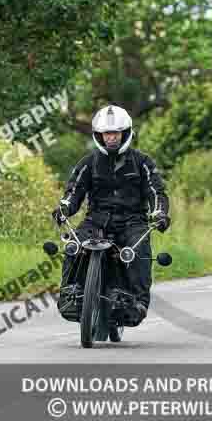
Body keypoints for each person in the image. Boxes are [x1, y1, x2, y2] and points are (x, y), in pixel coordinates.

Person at [51, 104, 171, 337]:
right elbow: (73, 192)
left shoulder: (142, 162)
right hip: (96, 222)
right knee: (73, 246)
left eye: (115, 133)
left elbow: (156, 192)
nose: (111, 138)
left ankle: (137, 300)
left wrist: (159, 213)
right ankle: (70, 294)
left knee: (138, 249)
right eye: (107, 134)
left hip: (132, 221)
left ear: (125, 133)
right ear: (99, 136)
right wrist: (64, 208)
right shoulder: (88, 162)